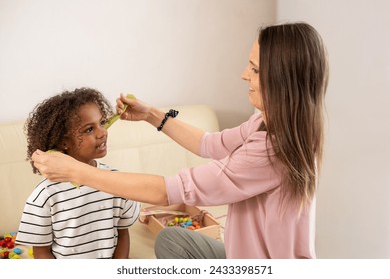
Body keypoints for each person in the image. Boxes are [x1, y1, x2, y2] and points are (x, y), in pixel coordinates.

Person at [31, 22, 329, 259]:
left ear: (280, 79)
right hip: (244, 256)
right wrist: (152, 115)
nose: (243, 75)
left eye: (254, 69)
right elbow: (210, 143)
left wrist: (76, 171)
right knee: (173, 240)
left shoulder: (271, 150)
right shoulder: (266, 123)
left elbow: (172, 190)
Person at [16, 88, 141, 259]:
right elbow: (41, 251)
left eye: (102, 123)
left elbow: (122, 234)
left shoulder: (117, 182)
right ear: (64, 141)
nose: (102, 132)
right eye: (89, 129)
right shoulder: (45, 196)